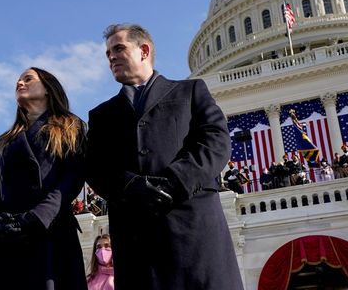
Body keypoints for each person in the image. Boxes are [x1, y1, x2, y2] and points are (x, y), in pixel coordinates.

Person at [86, 24, 242, 289]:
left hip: (193, 226)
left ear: (144, 50)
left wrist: (174, 181)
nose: (111, 57)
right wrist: (131, 186)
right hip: (136, 238)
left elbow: (216, 142)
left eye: (119, 48)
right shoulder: (101, 115)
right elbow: (95, 166)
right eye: (108, 52)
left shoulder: (190, 92)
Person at [0, 67, 87, 290]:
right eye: (18, 81)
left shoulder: (71, 126)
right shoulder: (6, 139)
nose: (19, 83)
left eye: (28, 79)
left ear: (48, 89)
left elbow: (72, 177)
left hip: (49, 230)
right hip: (7, 236)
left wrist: (37, 217)